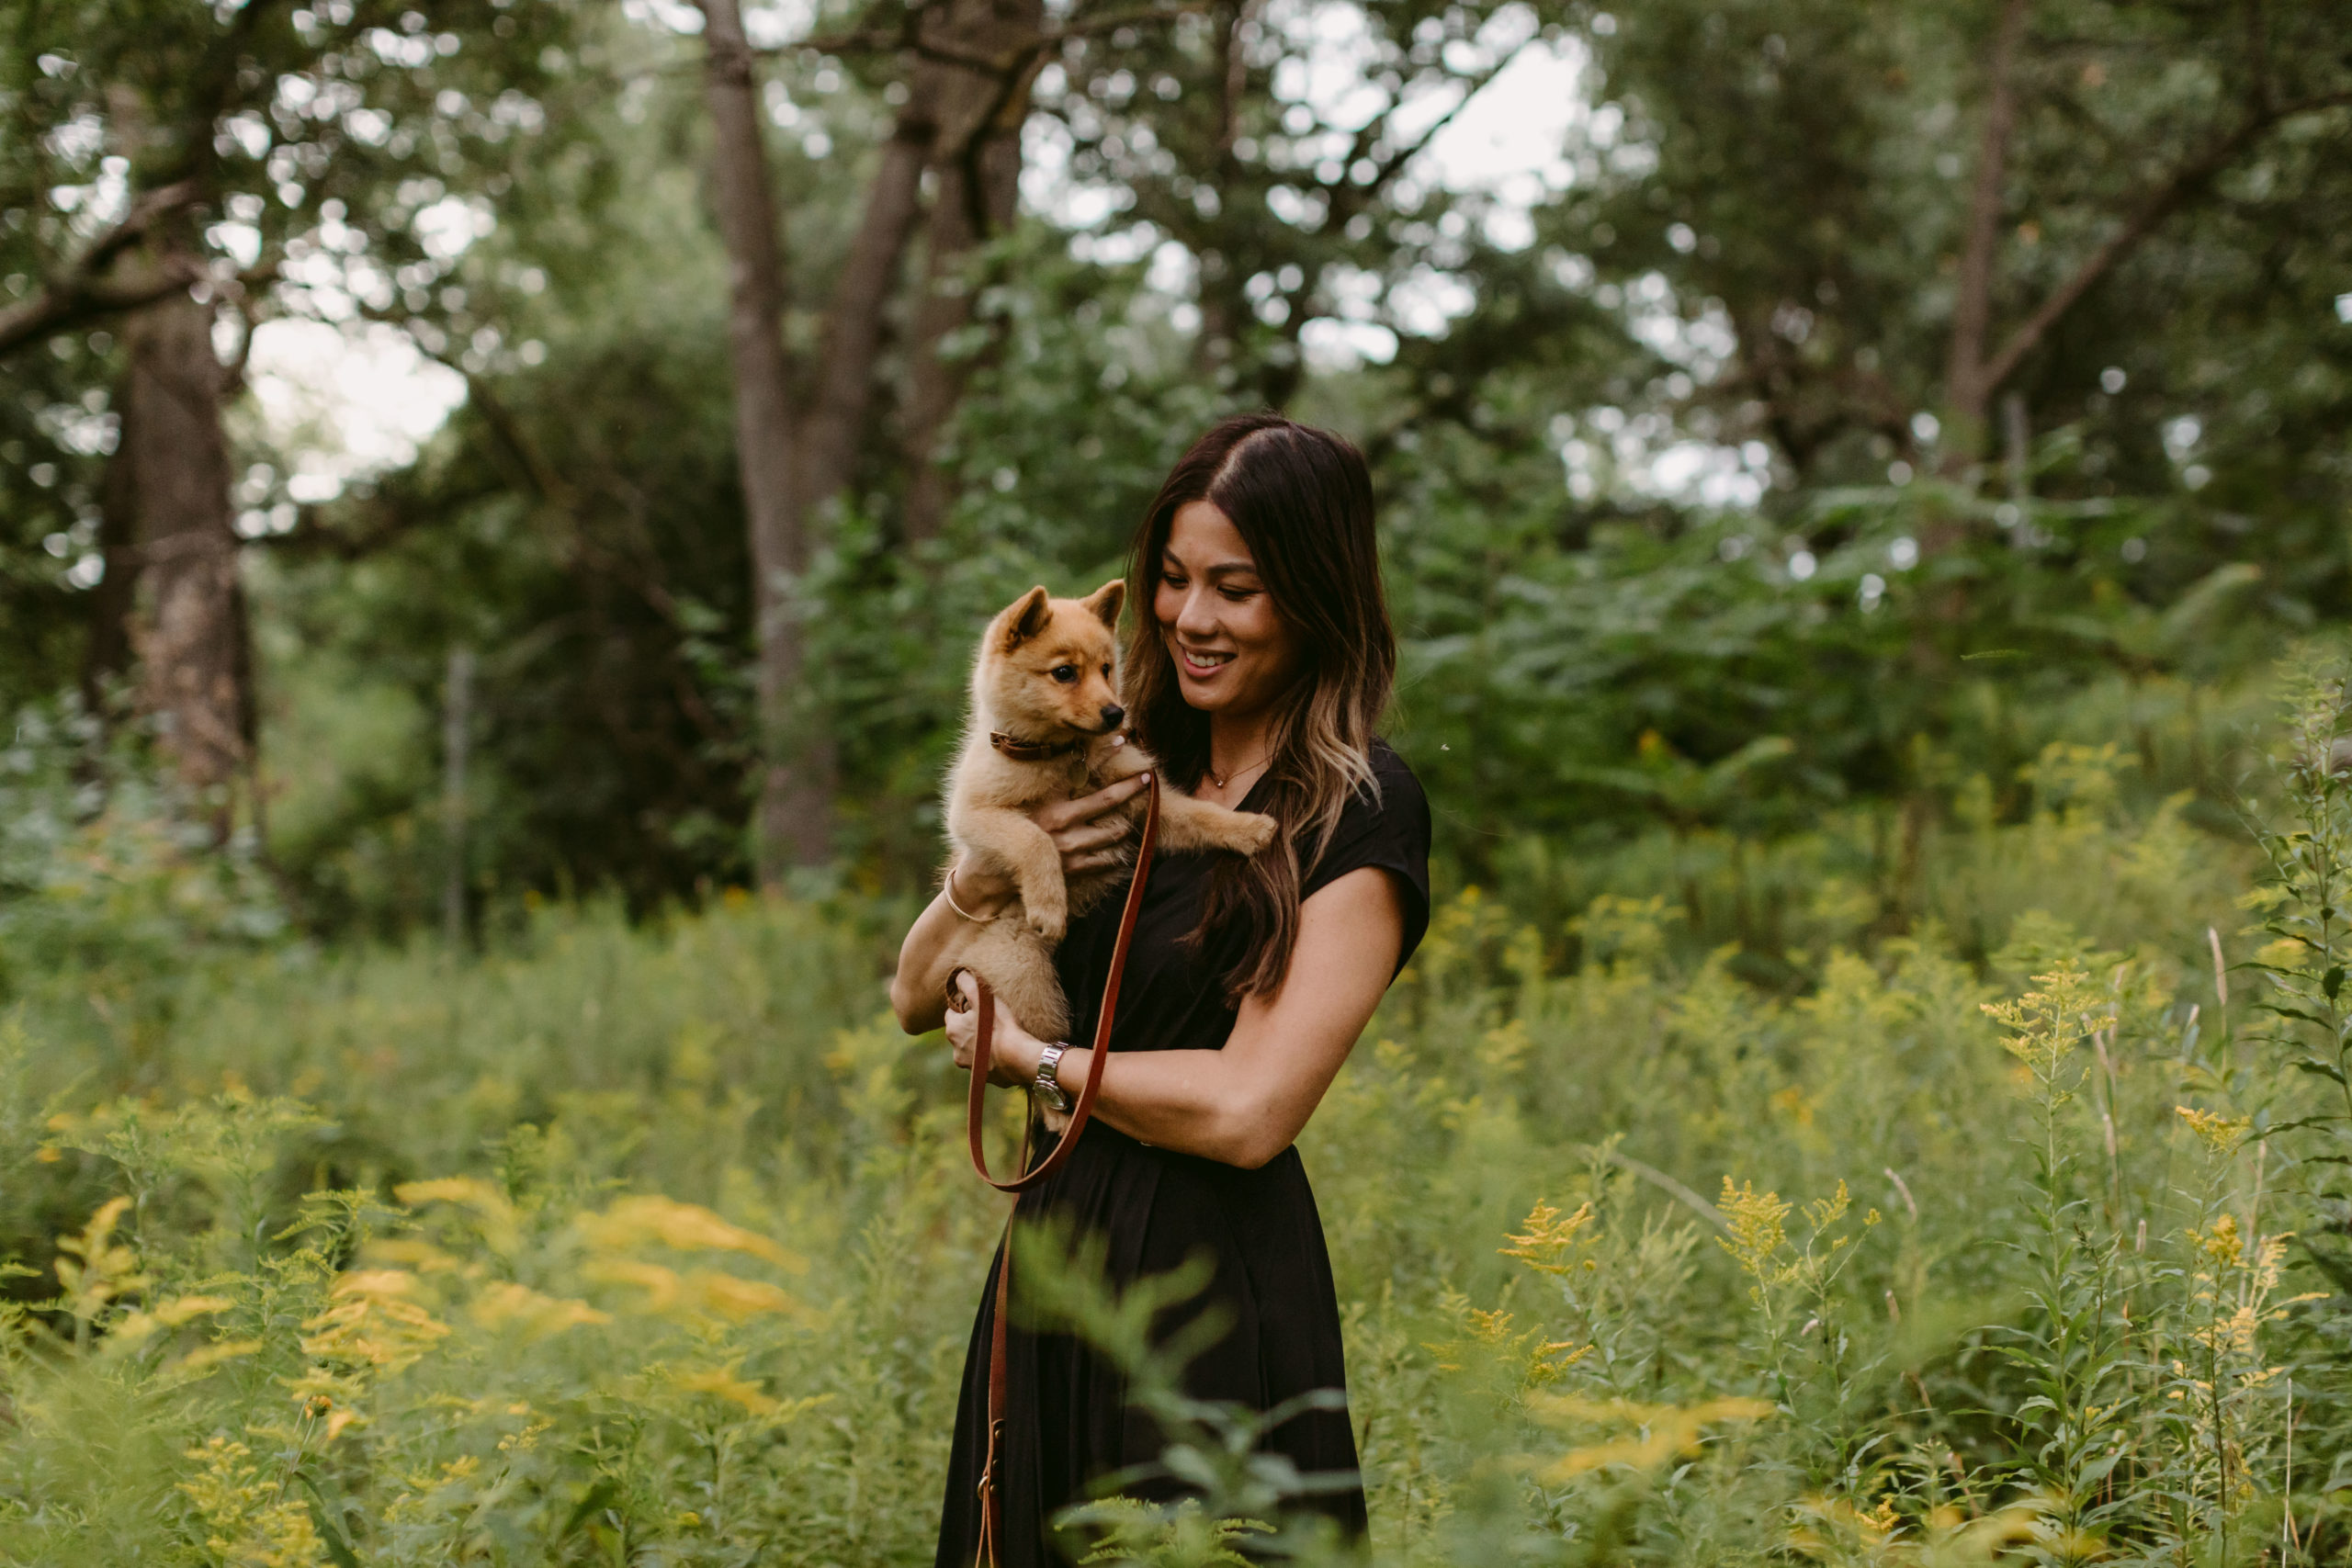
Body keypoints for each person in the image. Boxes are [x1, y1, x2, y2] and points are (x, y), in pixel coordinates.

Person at [892, 413, 1431, 1566]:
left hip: (1210, 1281)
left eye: (1235, 588)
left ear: (1314, 593)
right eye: (1175, 580)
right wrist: (982, 876)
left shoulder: (1356, 808)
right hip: (1056, 1262)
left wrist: (1034, 1065)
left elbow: (1249, 1113)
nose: (1191, 619)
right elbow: (911, 992)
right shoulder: (1115, 762)